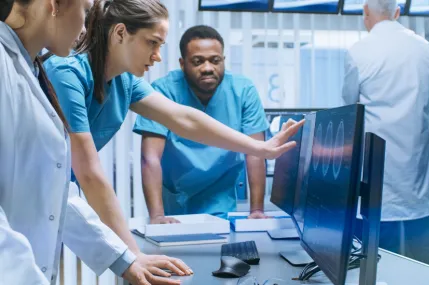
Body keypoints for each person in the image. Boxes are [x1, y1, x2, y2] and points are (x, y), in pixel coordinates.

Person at [43, 0, 302, 272]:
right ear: (120, 33)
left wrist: (260, 148)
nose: (157, 56)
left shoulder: (124, 82)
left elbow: (185, 119)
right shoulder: (67, 73)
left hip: (54, 194)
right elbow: (89, 172)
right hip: (30, 192)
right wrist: (132, 254)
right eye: (152, 43)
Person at [0, 0, 191, 285]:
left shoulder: (29, 69)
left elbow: (55, 191)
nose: (87, 26)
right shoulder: (20, 69)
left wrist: (125, 259)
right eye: (86, 11)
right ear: (54, 5)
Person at [133, 25, 269, 223]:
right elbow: (150, 157)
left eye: (215, 60)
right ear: (182, 63)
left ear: (223, 60)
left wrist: (256, 209)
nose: (207, 68)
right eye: (198, 61)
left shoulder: (243, 90)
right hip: (176, 197)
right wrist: (157, 215)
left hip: (219, 196)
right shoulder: (163, 90)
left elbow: (256, 153)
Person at [342, 0, 429, 264]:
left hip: (378, 175)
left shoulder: (359, 52)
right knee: (425, 259)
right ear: (397, 13)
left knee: (377, 260)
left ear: (365, 14)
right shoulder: (424, 47)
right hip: (417, 175)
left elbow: (350, 106)